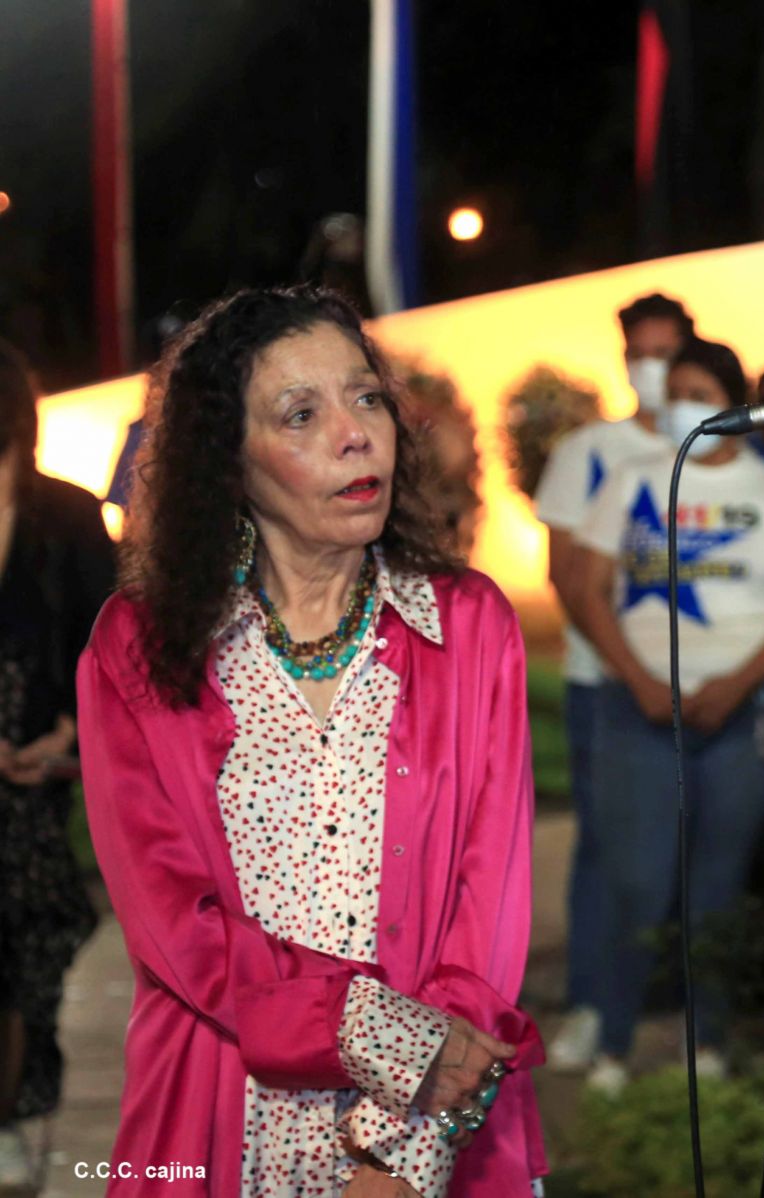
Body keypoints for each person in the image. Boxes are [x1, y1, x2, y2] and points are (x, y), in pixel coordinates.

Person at [77, 287, 545, 1195]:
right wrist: (381, 1038)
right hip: (215, 1115)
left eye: (366, 397)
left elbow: (488, 910)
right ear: (229, 464)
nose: (355, 432)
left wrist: (396, 1150)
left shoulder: (469, 626)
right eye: (302, 414)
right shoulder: (140, 648)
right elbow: (175, 926)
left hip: (430, 1130)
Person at [575, 337, 764, 1094]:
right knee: (638, 881)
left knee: (717, 887)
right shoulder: (631, 478)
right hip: (638, 710)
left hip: (740, 711)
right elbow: (587, 588)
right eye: (674, 387)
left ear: (733, 401)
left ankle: (707, 1042)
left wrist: (732, 683)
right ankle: (613, 1046)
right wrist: (640, 678)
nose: (681, 400)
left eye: (698, 389)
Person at [532, 292, 688, 1070]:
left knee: (690, 850)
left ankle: (673, 1004)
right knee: (604, 847)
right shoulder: (586, 451)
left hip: (701, 687)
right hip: (605, 685)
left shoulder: (716, 448)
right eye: (641, 354)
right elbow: (565, 574)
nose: (652, 369)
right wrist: (631, 667)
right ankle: (591, 1005)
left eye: (667, 353)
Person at [0, 340, 111, 1191]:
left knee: (26, 952)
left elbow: (104, 641)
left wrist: (68, 733)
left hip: (33, 780)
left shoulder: (66, 519)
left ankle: (15, 1110)